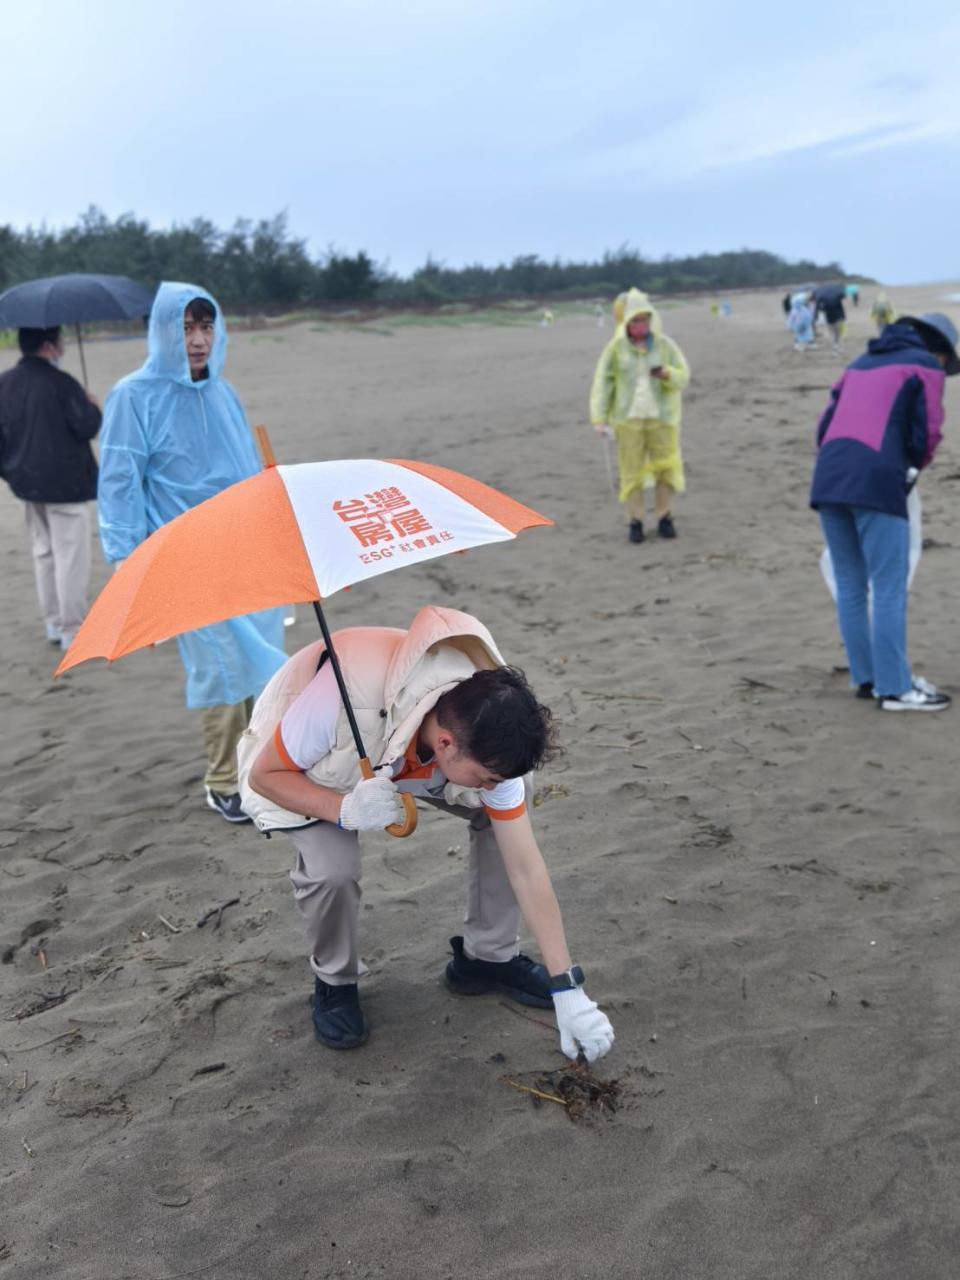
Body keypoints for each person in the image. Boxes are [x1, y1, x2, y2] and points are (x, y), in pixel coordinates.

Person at [238, 604, 616, 1062]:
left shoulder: (489, 727)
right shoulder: (336, 701)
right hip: (321, 763)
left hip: (404, 746)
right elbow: (266, 775)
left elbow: (526, 867)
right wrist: (344, 809)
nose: (494, 786)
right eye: (488, 777)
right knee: (332, 870)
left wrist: (566, 988)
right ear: (445, 744)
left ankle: (486, 960)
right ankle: (335, 983)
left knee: (503, 817)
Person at [97, 283, 286, 820]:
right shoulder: (133, 396)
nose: (198, 340)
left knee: (262, 663)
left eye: (206, 326)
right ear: (162, 331)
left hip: (244, 550)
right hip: (182, 557)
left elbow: (247, 469)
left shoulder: (222, 393)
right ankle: (223, 781)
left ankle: (257, 766)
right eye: (186, 328)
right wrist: (126, 565)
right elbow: (119, 484)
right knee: (220, 666)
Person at [810, 312, 959, 711]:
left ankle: (868, 678)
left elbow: (824, 428)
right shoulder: (925, 364)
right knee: (889, 586)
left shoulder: (859, 362)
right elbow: (927, 429)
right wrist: (911, 466)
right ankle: (895, 689)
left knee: (850, 584)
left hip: (828, 476)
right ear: (939, 350)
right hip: (876, 480)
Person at [0, 326, 101, 649]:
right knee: (69, 556)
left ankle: (54, 624)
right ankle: (72, 628)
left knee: (44, 552)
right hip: (65, 485)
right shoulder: (62, 383)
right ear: (48, 346)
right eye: (60, 342)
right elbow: (87, 425)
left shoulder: (5, 383)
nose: (63, 347)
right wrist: (92, 404)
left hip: (26, 483)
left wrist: (11, 474)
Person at [589, 287, 690, 543]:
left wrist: (667, 374)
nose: (639, 326)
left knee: (666, 468)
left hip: (662, 418)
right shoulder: (616, 348)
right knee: (631, 472)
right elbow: (604, 383)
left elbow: (683, 375)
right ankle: (635, 521)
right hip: (628, 420)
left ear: (651, 320)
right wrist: (599, 418)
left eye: (643, 320)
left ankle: (665, 517)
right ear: (626, 322)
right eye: (634, 321)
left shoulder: (665, 345)